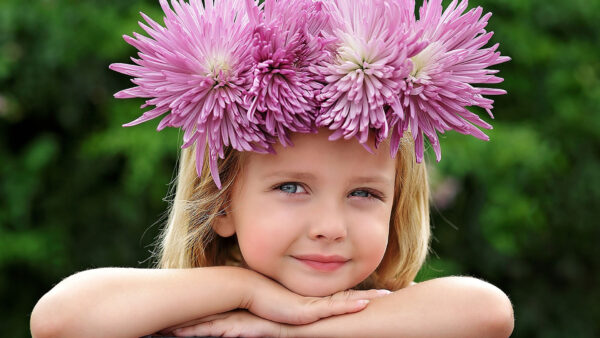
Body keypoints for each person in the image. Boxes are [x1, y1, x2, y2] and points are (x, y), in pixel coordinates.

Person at [31, 0, 514, 337]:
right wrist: (245, 291)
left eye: (364, 194)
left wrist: (289, 330)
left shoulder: (397, 321)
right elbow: (59, 321)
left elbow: (488, 312)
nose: (330, 227)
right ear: (222, 205)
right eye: (291, 187)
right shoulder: (187, 320)